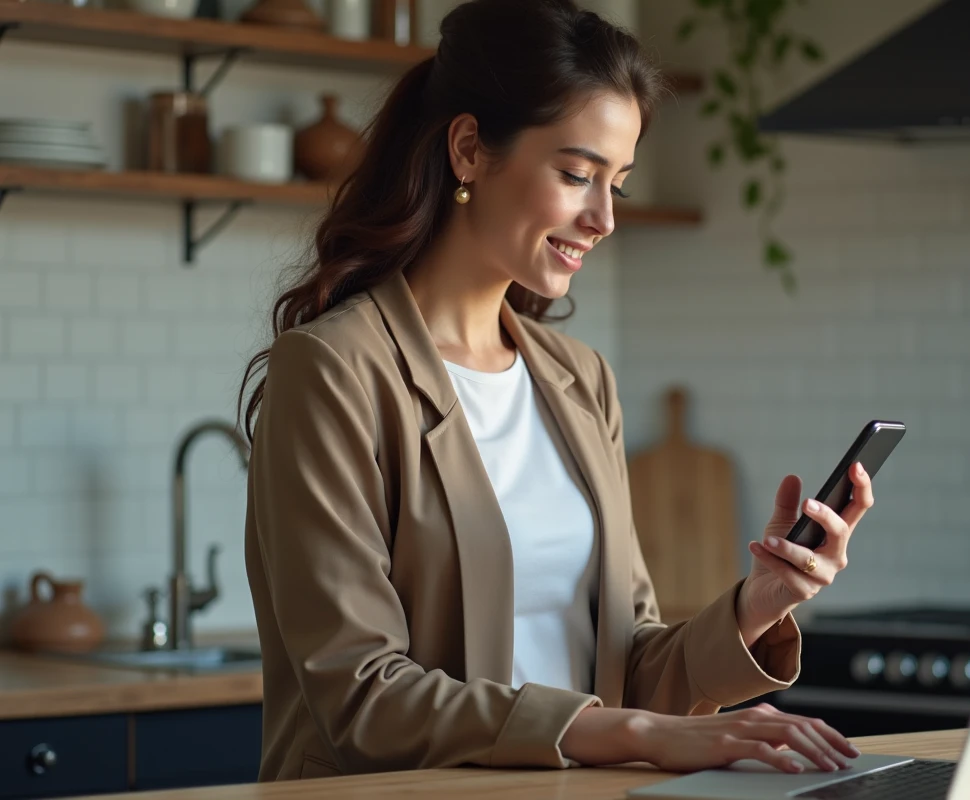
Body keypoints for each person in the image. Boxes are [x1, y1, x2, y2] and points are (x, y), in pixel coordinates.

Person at [238, 0, 874, 782]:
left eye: (619, 184)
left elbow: (628, 665)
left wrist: (760, 602)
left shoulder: (578, 380)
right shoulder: (334, 371)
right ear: (470, 149)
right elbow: (361, 698)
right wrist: (641, 733)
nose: (603, 216)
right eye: (576, 174)